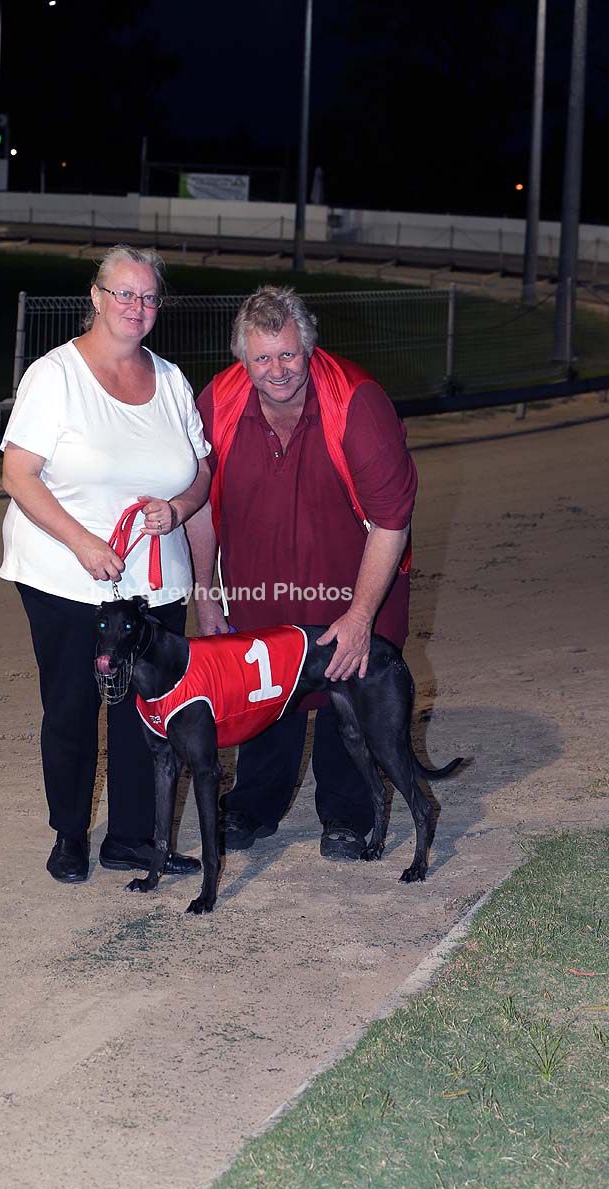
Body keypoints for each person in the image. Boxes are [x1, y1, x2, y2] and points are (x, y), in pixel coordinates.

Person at [0, 245, 212, 883]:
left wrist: (178, 508)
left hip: (154, 584)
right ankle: (69, 834)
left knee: (146, 711)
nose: (136, 307)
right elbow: (18, 474)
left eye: (148, 297)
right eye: (124, 293)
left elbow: (201, 472)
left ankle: (133, 839)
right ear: (96, 296)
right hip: (66, 578)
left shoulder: (171, 380)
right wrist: (83, 543)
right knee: (72, 707)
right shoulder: (54, 376)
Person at [185, 285, 417, 860]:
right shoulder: (218, 402)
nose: (277, 370)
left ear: (308, 347)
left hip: (354, 587)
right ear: (243, 358)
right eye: (262, 357)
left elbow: (392, 521)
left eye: (288, 354)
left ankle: (349, 812)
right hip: (260, 592)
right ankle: (253, 804)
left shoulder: (358, 402)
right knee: (263, 693)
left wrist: (361, 616)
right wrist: (206, 597)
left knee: (349, 698)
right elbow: (198, 504)